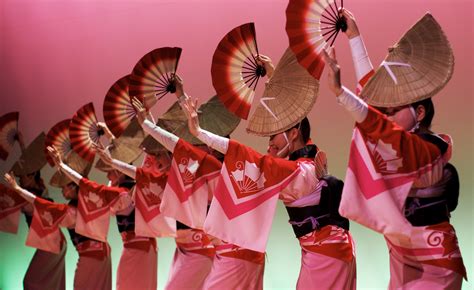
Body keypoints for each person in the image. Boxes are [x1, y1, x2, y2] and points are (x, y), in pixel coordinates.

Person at [177, 46, 356, 289]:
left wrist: (199, 132)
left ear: (294, 135)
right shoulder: (302, 161)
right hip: (326, 251)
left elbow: (256, 160)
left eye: (274, 136)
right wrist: (272, 79)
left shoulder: (301, 171)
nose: (269, 142)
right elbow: (289, 119)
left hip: (327, 254)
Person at [323, 10, 466, 288]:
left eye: (394, 111)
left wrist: (341, 94)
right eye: (384, 112)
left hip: (435, 261)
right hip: (401, 255)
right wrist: (354, 37)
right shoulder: (396, 142)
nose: (386, 117)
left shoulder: (428, 152)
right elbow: (373, 96)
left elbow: (382, 127)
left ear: (420, 112)